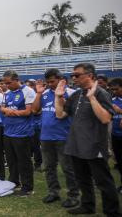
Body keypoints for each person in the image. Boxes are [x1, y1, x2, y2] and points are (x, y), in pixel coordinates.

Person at [55, 63, 122, 216]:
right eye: (72, 75)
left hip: (94, 146)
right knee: (82, 179)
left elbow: (105, 119)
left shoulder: (101, 93)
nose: (74, 78)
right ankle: (88, 205)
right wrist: (58, 97)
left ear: (90, 76)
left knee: (103, 182)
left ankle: (112, 211)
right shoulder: (76, 94)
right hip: (76, 145)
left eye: (77, 75)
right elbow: (60, 114)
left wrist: (92, 98)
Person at [31, 69, 79, 208]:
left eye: (53, 81)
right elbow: (34, 110)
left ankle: (73, 195)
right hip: (46, 137)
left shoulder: (71, 93)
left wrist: (60, 95)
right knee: (49, 167)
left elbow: (68, 113)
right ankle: (53, 191)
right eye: (48, 82)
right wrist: (39, 93)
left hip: (64, 136)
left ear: (60, 79)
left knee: (67, 168)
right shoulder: (44, 94)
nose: (50, 84)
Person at [0, 70, 36, 197]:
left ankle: (28, 187)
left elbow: (28, 111)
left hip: (22, 133)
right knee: (11, 161)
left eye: (9, 83)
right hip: (8, 132)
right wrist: (6, 110)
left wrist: (12, 112)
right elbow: (2, 108)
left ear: (17, 80)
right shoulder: (7, 93)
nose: (7, 85)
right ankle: (14, 182)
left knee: (24, 161)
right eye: (5, 83)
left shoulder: (28, 91)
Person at [110, 78, 122, 194]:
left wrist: (121, 112)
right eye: (112, 89)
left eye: (117, 89)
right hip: (115, 135)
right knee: (119, 161)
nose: (114, 91)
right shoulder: (112, 100)